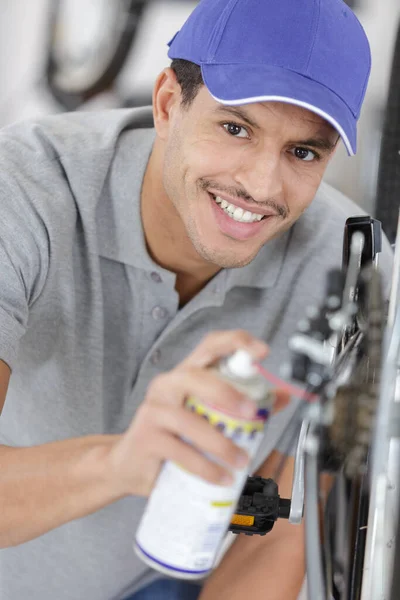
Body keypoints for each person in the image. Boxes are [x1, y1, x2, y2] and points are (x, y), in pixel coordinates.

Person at [0, 0, 393, 599]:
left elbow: (282, 532)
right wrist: (119, 462)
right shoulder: (21, 192)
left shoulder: (350, 267)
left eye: (303, 152)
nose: (262, 187)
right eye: (235, 128)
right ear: (166, 104)